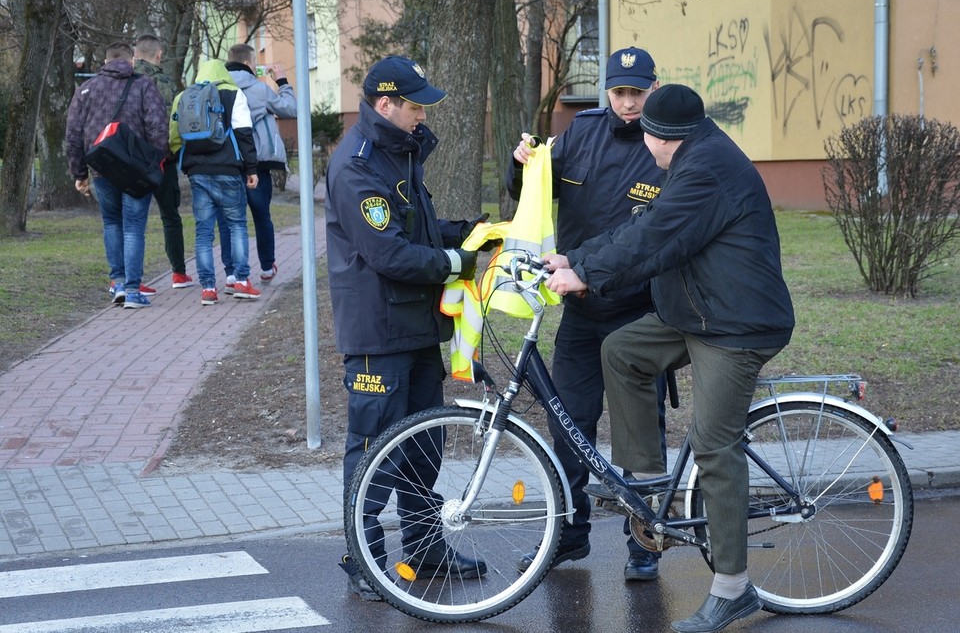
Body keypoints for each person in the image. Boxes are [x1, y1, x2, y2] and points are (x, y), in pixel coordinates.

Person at [544, 83, 795, 633]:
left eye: (646, 135)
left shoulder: (706, 170)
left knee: (714, 444)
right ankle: (649, 492)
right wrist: (575, 258)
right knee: (622, 350)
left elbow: (654, 236)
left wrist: (586, 275)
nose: (642, 143)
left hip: (736, 326)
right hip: (699, 312)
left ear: (662, 137)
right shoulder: (694, 157)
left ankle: (733, 589)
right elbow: (642, 229)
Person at [325, 55, 487, 601]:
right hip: (378, 332)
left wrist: (467, 233)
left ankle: (424, 546)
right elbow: (388, 252)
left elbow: (413, 226)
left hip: (414, 324)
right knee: (373, 448)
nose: (423, 115)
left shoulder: (398, 152)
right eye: (415, 106)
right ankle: (363, 557)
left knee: (423, 445)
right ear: (385, 104)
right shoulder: (357, 165)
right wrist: (457, 262)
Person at [507, 46, 669, 581]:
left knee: (639, 433)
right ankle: (569, 533)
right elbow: (534, 190)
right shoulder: (581, 132)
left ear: (652, 89)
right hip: (580, 310)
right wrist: (522, 164)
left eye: (637, 93)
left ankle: (644, 541)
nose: (628, 103)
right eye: (620, 93)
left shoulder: (666, 144)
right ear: (607, 92)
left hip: (637, 312)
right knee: (568, 425)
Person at [66, 41, 168, 309]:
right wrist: (154, 163)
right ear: (132, 60)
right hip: (136, 170)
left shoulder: (86, 89)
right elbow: (158, 127)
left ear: (105, 61)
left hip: (102, 167)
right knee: (134, 227)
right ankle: (133, 290)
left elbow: (73, 135)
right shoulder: (144, 85)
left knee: (111, 223)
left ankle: (118, 283)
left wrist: (79, 173)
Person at [169, 59, 260, 306]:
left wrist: (185, 163)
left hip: (197, 172)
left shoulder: (184, 96)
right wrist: (251, 168)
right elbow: (243, 132)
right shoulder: (234, 94)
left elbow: (174, 136)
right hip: (228, 169)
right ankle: (241, 281)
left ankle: (208, 288)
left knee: (203, 232)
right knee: (237, 225)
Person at [218, 43, 297, 291]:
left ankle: (231, 273)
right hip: (258, 162)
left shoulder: (217, 87)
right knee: (262, 216)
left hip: (226, 162)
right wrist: (281, 81)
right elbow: (290, 108)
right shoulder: (259, 89)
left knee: (229, 220)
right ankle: (266, 266)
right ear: (249, 63)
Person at [134, 33, 194, 290]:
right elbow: (177, 124)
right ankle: (178, 273)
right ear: (159, 54)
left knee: (133, 222)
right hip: (163, 161)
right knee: (170, 216)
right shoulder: (167, 84)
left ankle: (132, 278)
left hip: (132, 162)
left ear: (135, 55)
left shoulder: (126, 81)